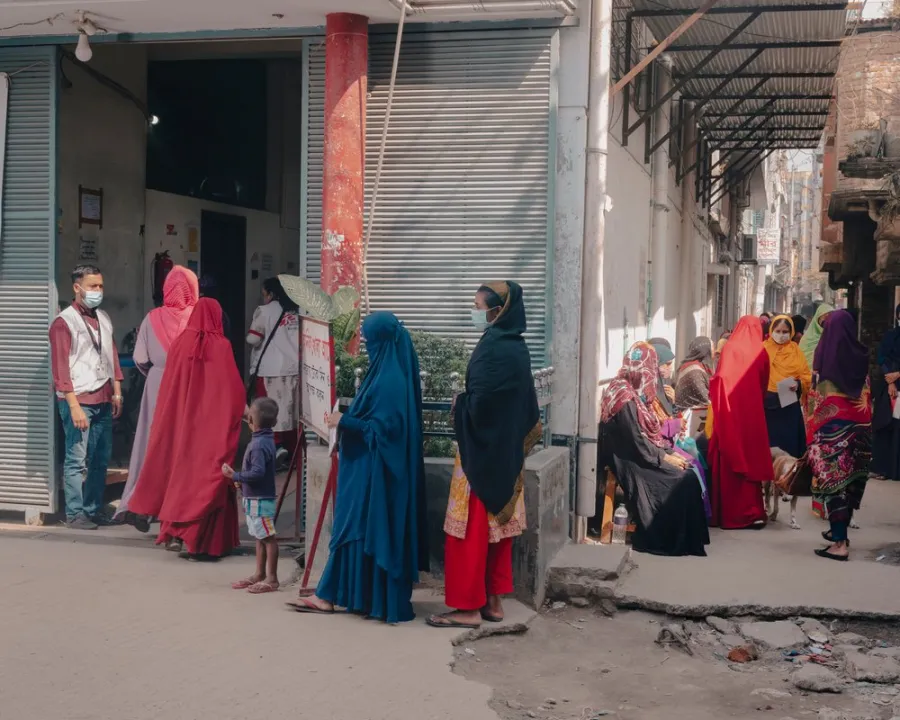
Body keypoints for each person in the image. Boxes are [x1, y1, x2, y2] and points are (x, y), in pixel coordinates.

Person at [287, 312, 428, 623]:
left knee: (354, 529)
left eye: (369, 340)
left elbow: (384, 431)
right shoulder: (386, 372)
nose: (366, 346)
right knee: (355, 531)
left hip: (375, 474)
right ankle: (346, 596)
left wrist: (344, 421)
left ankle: (329, 596)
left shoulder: (389, 380)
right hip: (369, 470)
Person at [427, 282, 540, 629]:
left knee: (470, 533)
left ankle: (467, 608)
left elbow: (483, 404)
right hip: (504, 454)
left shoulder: (494, 349)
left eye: (478, 306)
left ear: (498, 310)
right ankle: (493, 602)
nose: (474, 312)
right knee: (497, 529)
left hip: (481, 458)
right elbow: (521, 405)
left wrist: (461, 404)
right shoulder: (516, 348)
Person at [127, 298, 243, 559]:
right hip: (210, 428)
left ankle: (175, 534)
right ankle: (206, 543)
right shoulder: (222, 347)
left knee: (179, 477)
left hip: (181, 426)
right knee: (210, 478)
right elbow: (232, 391)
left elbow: (170, 389)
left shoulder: (179, 345)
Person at [594, 342, 709, 556]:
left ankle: (686, 539)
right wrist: (664, 459)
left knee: (689, 474)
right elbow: (636, 442)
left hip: (640, 453)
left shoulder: (633, 392)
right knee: (681, 480)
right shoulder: (624, 396)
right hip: (629, 459)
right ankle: (668, 538)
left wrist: (667, 453)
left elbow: (647, 435)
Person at [116, 266, 199, 532]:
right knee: (182, 446)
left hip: (157, 384)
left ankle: (139, 504)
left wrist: (156, 373)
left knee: (149, 444)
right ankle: (174, 511)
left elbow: (140, 358)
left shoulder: (151, 318)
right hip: (187, 385)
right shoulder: (196, 317)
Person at [49, 264, 124, 530]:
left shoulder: (103, 316)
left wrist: (116, 391)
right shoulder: (63, 322)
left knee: (100, 458)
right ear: (77, 287)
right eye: (93, 286)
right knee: (76, 459)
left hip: (103, 398)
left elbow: (111, 355)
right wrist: (73, 405)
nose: (98, 291)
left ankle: (93, 509)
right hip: (78, 400)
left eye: (100, 286)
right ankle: (75, 513)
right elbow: (60, 369)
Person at [807, 309, 871, 561]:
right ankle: (839, 533)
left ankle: (840, 544)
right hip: (861, 434)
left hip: (833, 436)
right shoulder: (860, 358)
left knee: (835, 487)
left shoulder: (829, 366)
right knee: (851, 485)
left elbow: (818, 406)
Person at [706, 316, 772, 529]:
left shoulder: (729, 348)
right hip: (751, 415)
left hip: (728, 413)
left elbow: (719, 379)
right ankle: (750, 512)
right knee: (749, 459)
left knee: (727, 457)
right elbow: (764, 383)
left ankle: (722, 513)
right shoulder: (760, 351)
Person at [224, 397, 281, 593]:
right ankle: (259, 573)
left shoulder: (258, 445)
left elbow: (257, 473)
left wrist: (235, 475)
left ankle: (271, 578)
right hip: (256, 497)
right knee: (260, 535)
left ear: (250, 422)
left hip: (260, 499)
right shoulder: (265, 441)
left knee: (267, 537)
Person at [246, 277, 301, 463]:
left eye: (264, 294)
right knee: (291, 410)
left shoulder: (264, 311)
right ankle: (292, 452)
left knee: (269, 410)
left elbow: (254, 339)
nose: (264, 298)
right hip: (293, 368)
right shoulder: (296, 312)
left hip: (270, 370)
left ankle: (275, 447)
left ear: (271, 293)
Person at [764, 315, 812, 459]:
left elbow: (806, 376)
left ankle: (789, 478)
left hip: (789, 405)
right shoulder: (763, 349)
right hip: (767, 405)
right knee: (769, 447)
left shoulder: (796, 351)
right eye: (777, 331)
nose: (781, 335)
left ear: (791, 333)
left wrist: (798, 384)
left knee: (790, 447)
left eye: (785, 332)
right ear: (771, 330)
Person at [871, 303, 900, 481]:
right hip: (890, 386)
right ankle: (883, 469)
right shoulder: (891, 336)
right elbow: (882, 358)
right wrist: (891, 381)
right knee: (885, 426)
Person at [675, 336, 714, 412]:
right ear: (706, 349)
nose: (714, 350)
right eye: (712, 347)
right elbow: (705, 398)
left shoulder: (699, 366)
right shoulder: (694, 370)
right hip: (692, 418)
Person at [799, 303, 834, 368]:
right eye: (825, 317)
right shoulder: (806, 340)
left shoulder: (835, 337)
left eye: (830, 317)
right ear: (817, 319)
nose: (827, 321)